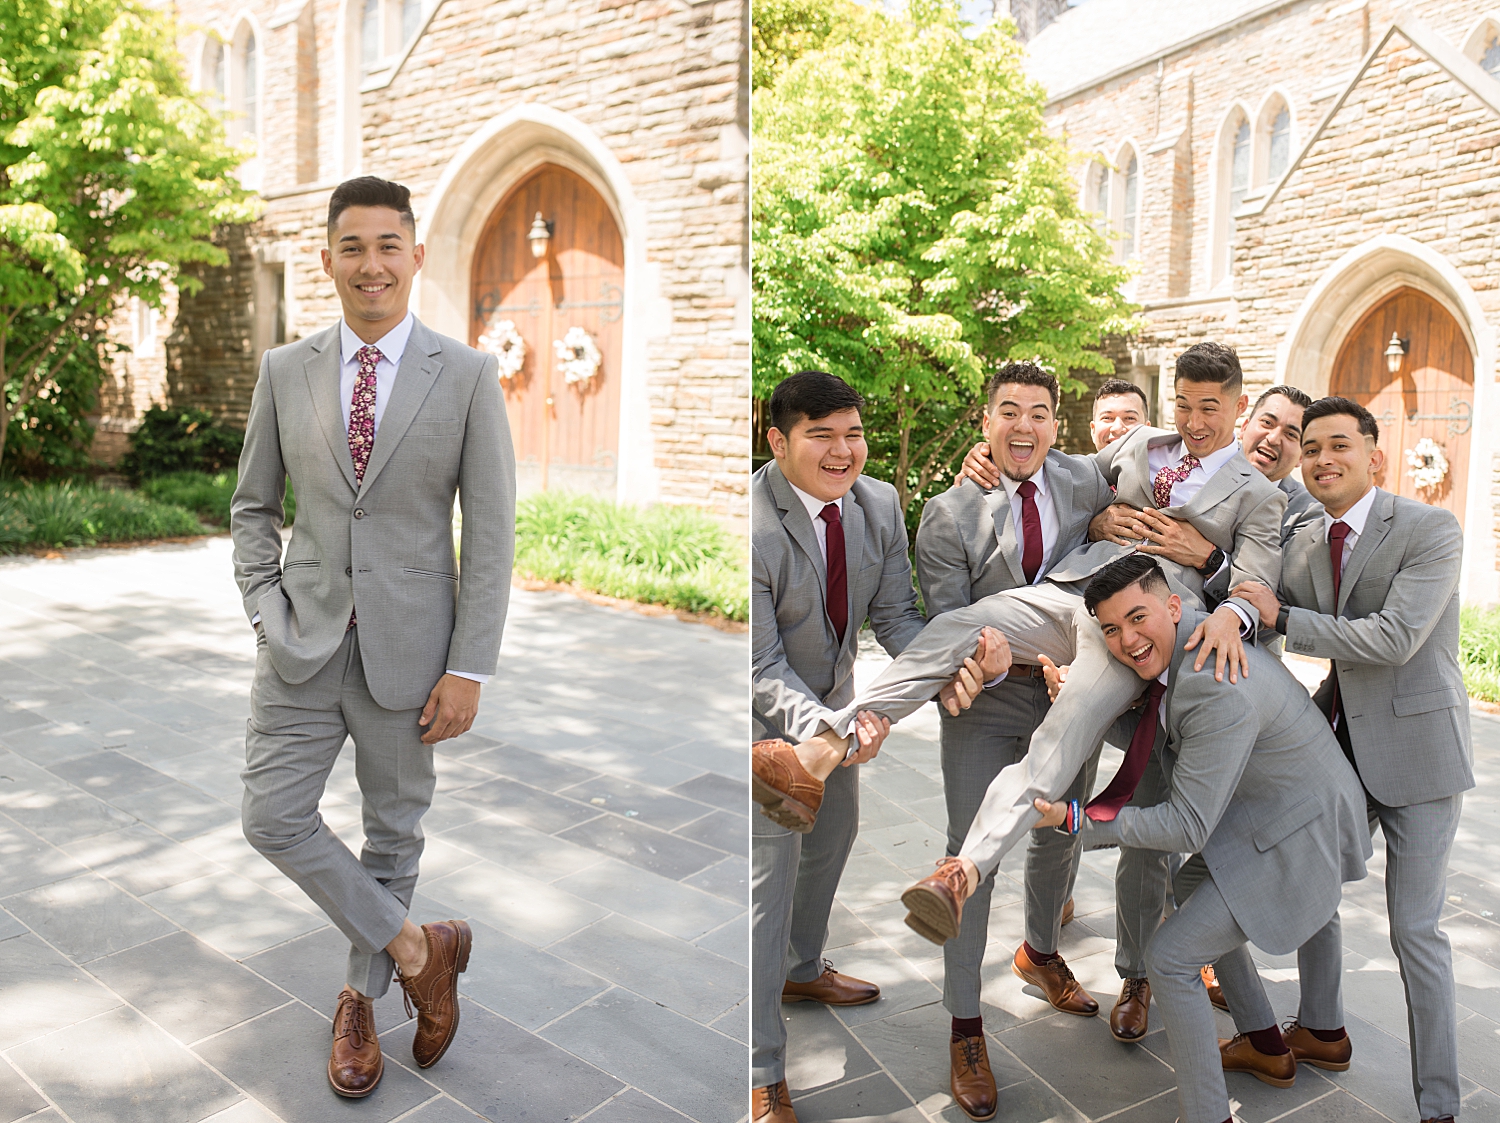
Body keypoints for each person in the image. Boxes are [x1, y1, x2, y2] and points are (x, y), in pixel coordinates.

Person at [757, 343, 1283, 937]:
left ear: (1238, 407)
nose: (1193, 422)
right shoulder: (1140, 444)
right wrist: (990, 454)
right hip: (1073, 591)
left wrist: (1215, 576)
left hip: (1138, 625)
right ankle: (824, 747)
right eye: (1183, 404)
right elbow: (1046, 462)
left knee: (1059, 744)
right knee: (960, 624)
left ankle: (961, 874)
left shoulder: (1261, 495)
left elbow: (1258, 587)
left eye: (1209, 408)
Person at [230, 176, 515, 1097]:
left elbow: (493, 532)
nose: (372, 264)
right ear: (327, 260)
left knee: (393, 834)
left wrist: (469, 665)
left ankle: (360, 1001)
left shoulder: (467, 375)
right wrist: (266, 609)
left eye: (389, 245)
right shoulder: (285, 370)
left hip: (416, 653)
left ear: (416, 255)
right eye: (353, 247)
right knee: (271, 816)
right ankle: (419, 949)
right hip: (300, 642)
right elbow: (250, 508)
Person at [1033, 554, 1370, 1123]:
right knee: (1188, 890)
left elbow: (1186, 825)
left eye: (1138, 619)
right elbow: (1163, 731)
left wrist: (1074, 820)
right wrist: (1074, 699)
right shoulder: (1187, 645)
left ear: (1172, 605)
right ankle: (1266, 1045)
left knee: (1169, 958)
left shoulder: (1211, 679)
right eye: (1112, 630)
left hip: (1299, 833)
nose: (1128, 641)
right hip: (1271, 816)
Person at [751, 371, 988, 1122]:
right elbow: (758, 668)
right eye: (821, 433)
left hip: (840, 710)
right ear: (778, 441)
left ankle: (798, 967)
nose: (843, 449)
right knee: (770, 881)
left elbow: (896, 616)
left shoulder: (879, 503)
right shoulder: (749, 523)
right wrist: (841, 726)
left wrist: (944, 672)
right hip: (761, 727)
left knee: (838, 830)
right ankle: (759, 1066)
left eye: (853, 432)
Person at [1230, 396, 1472, 1123]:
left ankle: (1439, 1102)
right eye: (1312, 449)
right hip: (1340, 744)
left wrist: (1282, 618)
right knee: (1301, 876)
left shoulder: (1430, 527)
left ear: (1375, 455)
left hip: (1421, 754)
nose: (1323, 458)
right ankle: (1322, 1026)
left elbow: (1394, 637)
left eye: (1340, 444)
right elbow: (1258, 582)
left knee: (1414, 930)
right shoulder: (1307, 536)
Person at [912, 361, 1115, 1119]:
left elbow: (1167, 476)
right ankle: (966, 1025)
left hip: (1075, 700)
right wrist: (1047, 656)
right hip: (989, 698)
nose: (1023, 426)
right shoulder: (947, 512)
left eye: (1037, 412)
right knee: (971, 855)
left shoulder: (1085, 481)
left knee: (1061, 832)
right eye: (1008, 411)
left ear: (1056, 424)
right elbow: (953, 623)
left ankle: (1041, 950)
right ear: (985, 419)